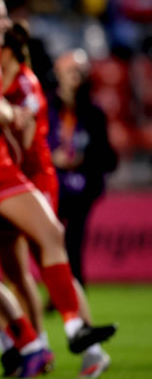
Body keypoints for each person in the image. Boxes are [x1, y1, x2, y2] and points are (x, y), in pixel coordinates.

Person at [0, 0, 116, 375]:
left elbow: (2, 113)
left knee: (48, 239)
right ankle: (15, 346)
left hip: (4, 170)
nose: (5, 25)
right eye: (0, 17)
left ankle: (73, 330)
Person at [0, 23, 112, 378]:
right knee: (18, 268)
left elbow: (25, 139)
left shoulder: (26, 84)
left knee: (45, 256)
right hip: (15, 178)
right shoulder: (10, 81)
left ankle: (86, 345)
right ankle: (42, 346)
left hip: (32, 179)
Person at [48, 49, 118, 288]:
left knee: (73, 242)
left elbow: (108, 157)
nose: (74, 77)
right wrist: (51, 157)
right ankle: (61, 291)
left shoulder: (93, 113)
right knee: (51, 241)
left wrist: (83, 159)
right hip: (52, 184)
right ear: (58, 73)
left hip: (83, 189)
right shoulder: (46, 108)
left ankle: (75, 291)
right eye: (70, 71)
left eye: (78, 72)